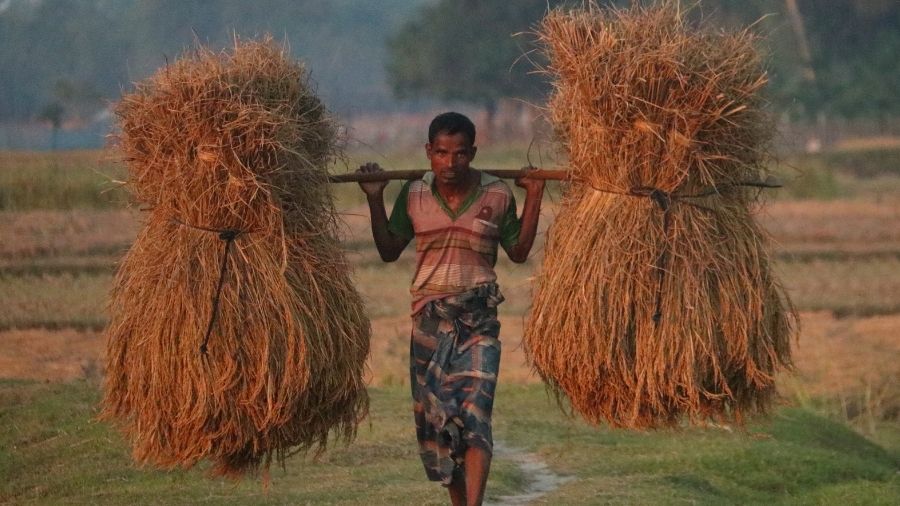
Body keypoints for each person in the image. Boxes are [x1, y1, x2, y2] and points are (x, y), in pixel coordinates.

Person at [356, 112, 544, 506]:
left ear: (472, 153)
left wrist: (535, 194)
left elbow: (520, 251)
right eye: (441, 153)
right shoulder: (413, 194)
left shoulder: (497, 194)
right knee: (440, 429)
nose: (450, 163)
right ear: (428, 152)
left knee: (475, 417)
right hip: (428, 321)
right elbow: (389, 251)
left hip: (478, 319)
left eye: (459, 154)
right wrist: (374, 196)